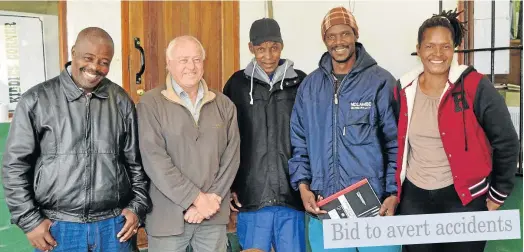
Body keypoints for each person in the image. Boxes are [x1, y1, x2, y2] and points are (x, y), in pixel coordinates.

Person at [2, 27, 151, 252]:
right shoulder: (36, 100)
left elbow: (136, 162)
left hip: (113, 226)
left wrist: (137, 207)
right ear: (73, 52)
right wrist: (29, 221)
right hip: (57, 227)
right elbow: (15, 166)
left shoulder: (120, 101)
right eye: (88, 58)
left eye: (104, 62)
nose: (95, 67)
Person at [394, 9, 520, 252]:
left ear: (454, 50)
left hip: (465, 199)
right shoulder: (403, 89)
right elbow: (393, 143)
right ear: (418, 49)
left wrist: (497, 194)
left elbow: (506, 141)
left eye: (446, 46)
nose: (438, 54)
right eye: (430, 46)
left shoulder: (475, 85)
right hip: (415, 198)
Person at [288, 6, 400, 252]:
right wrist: (304, 188)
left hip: (375, 209)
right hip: (325, 209)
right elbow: (300, 145)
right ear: (325, 40)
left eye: (345, 34)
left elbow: (396, 144)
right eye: (331, 36)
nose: (339, 41)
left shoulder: (381, 81)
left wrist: (393, 193)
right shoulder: (309, 87)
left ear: (356, 35)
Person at [137, 35, 240, 252]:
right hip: (168, 220)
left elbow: (231, 159)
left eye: (196, 60)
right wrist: (195, 198)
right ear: (169, 64)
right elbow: (154, 159)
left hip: (212, 217)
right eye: (183, 60)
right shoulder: (151, 103)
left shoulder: (224, 105)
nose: (191, 66)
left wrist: (208, 203)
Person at [223, 18, 307, 252]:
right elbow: (225, 140)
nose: (268, 56)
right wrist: (229, 185)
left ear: (282, 46)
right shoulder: (237, 85)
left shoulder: (300, 82)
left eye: (274, 48)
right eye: (261, 49)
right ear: (251, 48)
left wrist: (309, 183)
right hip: (251, 194)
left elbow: (312, 136)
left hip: (291, 193)